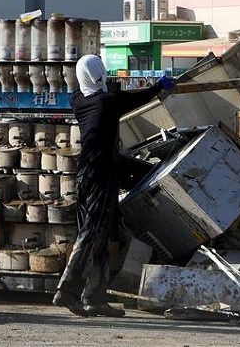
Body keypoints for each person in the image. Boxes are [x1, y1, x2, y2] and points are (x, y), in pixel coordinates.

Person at [53, 54, 175, 317]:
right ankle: (67, 291)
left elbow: (100, 90)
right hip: (100, 176)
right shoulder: (108, 101)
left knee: (104, 235)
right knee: (92, 234)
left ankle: (95, 297)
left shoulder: (78, 101)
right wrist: (159, 86)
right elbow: (137, 98)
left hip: (86, 174)